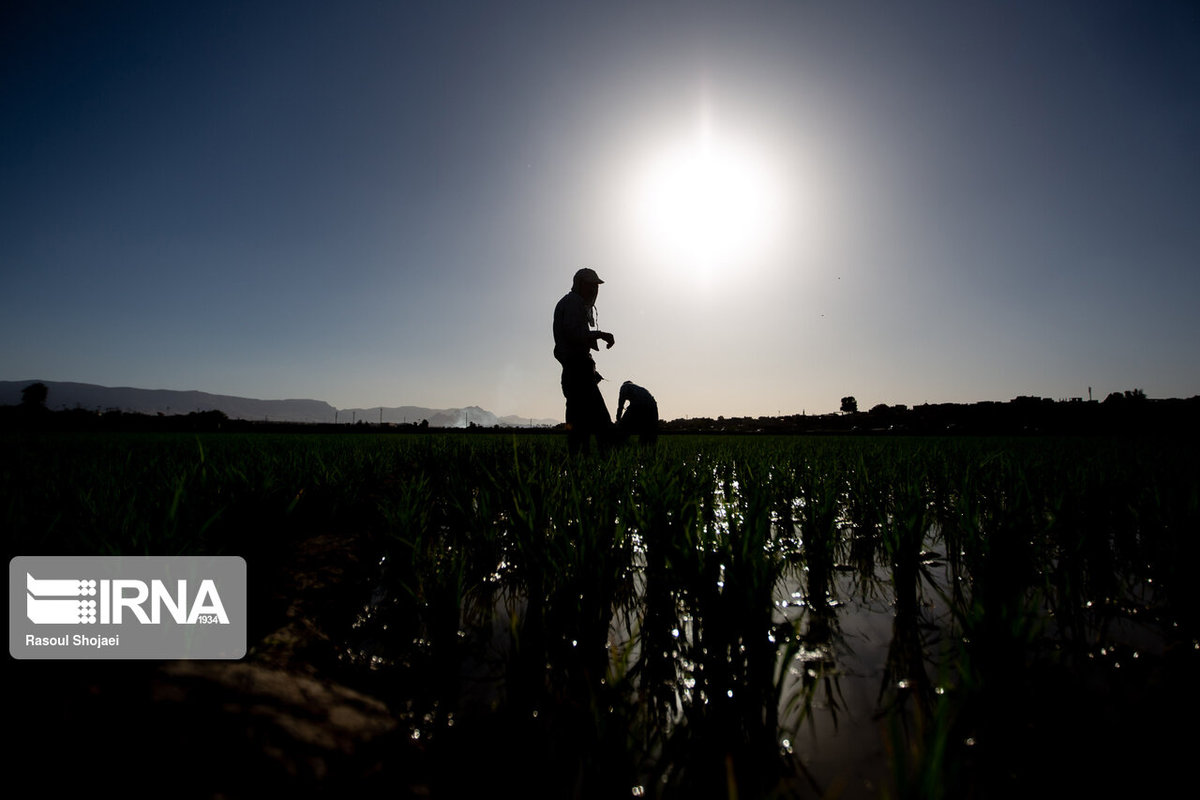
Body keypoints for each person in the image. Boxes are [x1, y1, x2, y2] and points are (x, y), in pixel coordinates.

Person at [553, 267, 615, 455]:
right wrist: (601, 334)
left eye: (596, 287)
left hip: (577, 369)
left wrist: (591, 369)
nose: (594, 291)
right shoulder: (572, 303)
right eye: (591, 286)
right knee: (600, 421)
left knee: (580, 420)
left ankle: (579, 460)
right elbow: (574, 335)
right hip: (577, 371)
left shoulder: (572, 303)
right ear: (580, 285)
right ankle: (604, 464)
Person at [615, 380, 659, 447]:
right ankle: (647, 448)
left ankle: (618, 445)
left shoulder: (624, 386)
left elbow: (620, 405)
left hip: (638, 404)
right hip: (652, 405)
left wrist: (618, 419)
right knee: (648, 429)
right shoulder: (641, 389)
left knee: (623, 427)